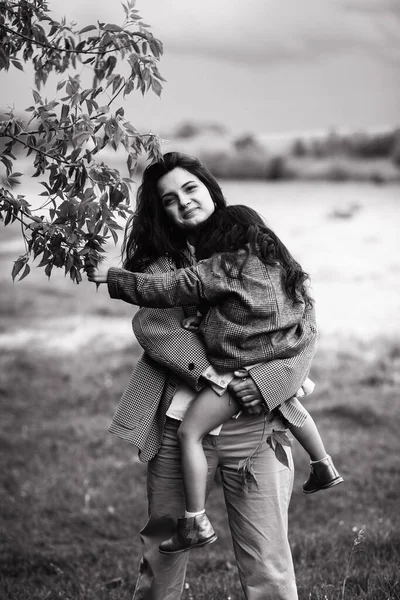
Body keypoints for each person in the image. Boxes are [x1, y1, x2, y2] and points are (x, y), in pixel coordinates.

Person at [87, 152, 327, 600]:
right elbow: (155, 328)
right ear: (162, 212)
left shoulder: (255, 246)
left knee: (268, 561)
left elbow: (303, 322)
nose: (185, 202)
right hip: (178, 426)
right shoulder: (161, 267)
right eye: (170, 199)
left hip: (258, 428)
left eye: (191, 188)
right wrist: (223, 380)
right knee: (163, 553)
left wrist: (266, 383)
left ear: (209, 188)